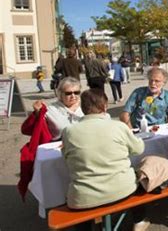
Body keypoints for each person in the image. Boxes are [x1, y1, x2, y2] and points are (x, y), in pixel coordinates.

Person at [61, 89, 149, 231]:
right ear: (105, 106)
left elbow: (65, 157)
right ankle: (139, 220)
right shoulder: (118, 126)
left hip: (84, 197)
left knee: (79, 206)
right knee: (138, 176)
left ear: (82, 108)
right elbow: (139, 149)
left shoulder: (69, 131)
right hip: (123, 190)